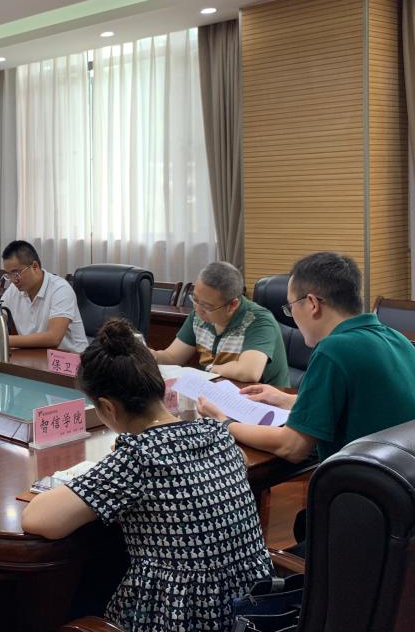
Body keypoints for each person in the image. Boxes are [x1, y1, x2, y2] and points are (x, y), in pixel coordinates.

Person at [21, 319, 271, 631]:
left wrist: (114, 467)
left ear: (108, 408)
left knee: (85, 589)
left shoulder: (139, 457)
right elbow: (239, 462)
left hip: (180, 618)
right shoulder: (217, 433)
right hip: (253, 613)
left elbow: (38, 519)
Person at [198, 252, 415, 463]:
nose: (291, 315)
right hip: (400, 476)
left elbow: (292, 447)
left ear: (312, 304)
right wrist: (286, 400)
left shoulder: (333, 349)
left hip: (358, 479)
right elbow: (361, 405)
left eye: (290, 306)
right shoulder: (397, 339)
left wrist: (224, 422)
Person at [152, 261, 289, 386]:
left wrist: (212, 369)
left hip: (262, 400)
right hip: (215, 393)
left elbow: (249, 372)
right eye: (195, 299)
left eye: (206, 306)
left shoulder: (259, 321)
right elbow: (172, 357)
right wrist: (149, 355)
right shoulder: (199, 315)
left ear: (232, 305)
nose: (197, 309)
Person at [0, 240, 88, 352]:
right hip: (36, 357)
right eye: (8, 275)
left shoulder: (60, 289)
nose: (13, 280)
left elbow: (53, 338)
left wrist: (0, 340)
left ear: (35, 266)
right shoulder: (14, 290)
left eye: (16, 273)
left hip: (71, 362)